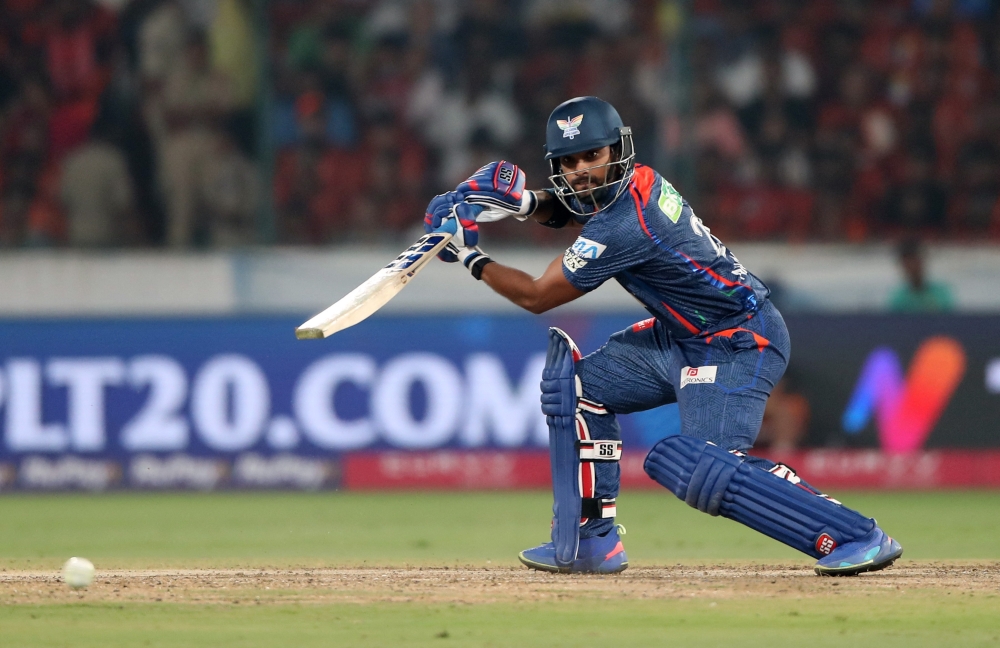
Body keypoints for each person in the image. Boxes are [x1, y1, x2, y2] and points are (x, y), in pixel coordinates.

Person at [423, 96, 903, 576]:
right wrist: (522, 205)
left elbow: (536, 295)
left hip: (738, 340)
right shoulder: (637, 182)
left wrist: (469, 254)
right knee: (576, 390)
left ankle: (853, 534)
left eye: (593, 156)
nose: (582, 171)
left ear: (618, 149)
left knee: (702, 468)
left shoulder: (627, 225)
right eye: (569, 162)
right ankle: (591, 542)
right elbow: (579, 209)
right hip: (680, 335)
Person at [887, 238, 954, 312]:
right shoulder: (898, 299)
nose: (912, 266)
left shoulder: (941, 294)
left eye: (915, 261)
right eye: (907, 263)